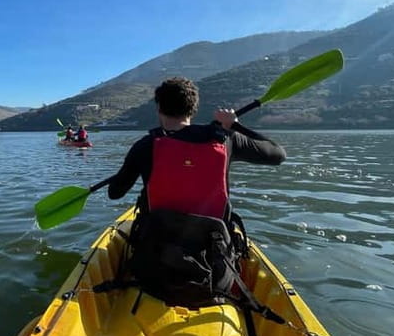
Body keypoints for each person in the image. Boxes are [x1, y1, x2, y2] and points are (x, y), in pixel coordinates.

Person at [100, 76, 286, 311]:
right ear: (193, 109)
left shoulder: (145, 146)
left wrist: (130, 168)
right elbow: (278, 154)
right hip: (217, 276)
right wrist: (235, 125)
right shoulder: (226, 139)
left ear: (158, 108)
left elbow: (115, 193)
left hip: (153, 273)